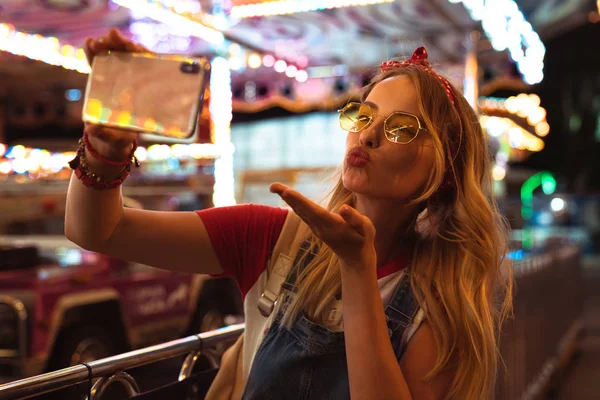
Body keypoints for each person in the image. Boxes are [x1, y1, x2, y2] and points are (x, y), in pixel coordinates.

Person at [66, 28, 513, 400]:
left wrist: (357, 267)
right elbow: (101, 230)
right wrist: (106, 150)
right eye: (363, 116)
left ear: (446, 167)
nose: (369, 135)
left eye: (400, 128)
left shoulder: (442, 295)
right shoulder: (273, 237)